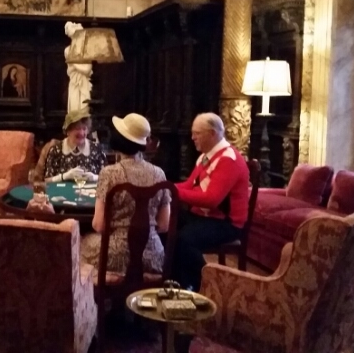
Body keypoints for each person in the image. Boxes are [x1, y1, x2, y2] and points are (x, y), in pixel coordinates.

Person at [80, 113, 171, 274]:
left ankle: (89, 289)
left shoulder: (109, 173)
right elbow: (164, 225)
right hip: (154, 256)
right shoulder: (159, 174)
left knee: (80, 243)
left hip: (115, 254)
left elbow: (98, 225)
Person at [173, 112, 249, 291]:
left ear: (212, 133)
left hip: (226, 223)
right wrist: (163, 186)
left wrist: (171, 191)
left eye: (197, 133)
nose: (192, 137)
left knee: (184, 240)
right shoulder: (206, 156)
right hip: (204, 217)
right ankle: (177, 281)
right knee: (165, 226)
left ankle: (208, 286)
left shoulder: (228, 159)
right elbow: (189, 185)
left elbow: (212, 200)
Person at [43, 108, 107, 183]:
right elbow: (47, 180)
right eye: (77, 129)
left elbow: (107, 177)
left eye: (84, 129)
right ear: (68, 131)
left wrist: (95, 177)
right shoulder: (56, 150)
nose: (81, 133)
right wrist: (64, 176)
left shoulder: (97, 149)